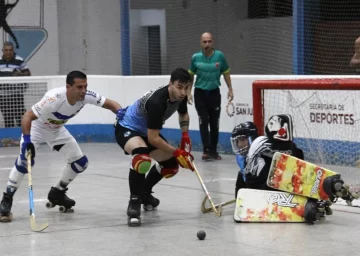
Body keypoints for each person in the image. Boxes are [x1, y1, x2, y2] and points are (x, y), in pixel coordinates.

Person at [0, 70, 122, 222]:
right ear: (68, 87)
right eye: (79, 87)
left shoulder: (86, 96)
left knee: (80, 163)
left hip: (56, 130)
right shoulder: (54, 98)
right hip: (36, 130)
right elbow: (27, 117)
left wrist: (121, 114)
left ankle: (57, 192)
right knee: (25, 162)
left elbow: (111, 104)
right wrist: (27, 140)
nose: (83, 91)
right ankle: (7, 199)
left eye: (85, 86)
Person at [115, 67, 194, 225]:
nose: (183, 92)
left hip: (147, 132)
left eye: (186, 88)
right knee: (142, 158)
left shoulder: (182, 95)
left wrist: (185, 135)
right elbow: (153, 139)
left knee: (171, 165)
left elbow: (183, 114)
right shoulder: (157, 102)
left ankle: (144, 192)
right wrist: (177, 151)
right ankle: (135, 201)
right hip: (128, 128)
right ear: (170, 84)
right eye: (179, 87)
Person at [232, 115, 304, 198]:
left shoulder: (260, 146)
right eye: (238, 141)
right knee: (241, 175)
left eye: (243, 140)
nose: (240, 144)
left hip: (275, 190)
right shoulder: (243, 157)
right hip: (261, 193)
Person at [188, 32, 234, 161]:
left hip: (214, 93)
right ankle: (206, 150)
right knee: (204, 120)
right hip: (200, 94)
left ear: (212, 42)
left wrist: (230, 89)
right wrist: (188, 91)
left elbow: (226, 72)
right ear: (200, 43)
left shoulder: (220, 56)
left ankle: (213, 151)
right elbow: (190, 74)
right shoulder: (195, 58)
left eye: (209, 41)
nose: (207, 44)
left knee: (215, 123)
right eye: (204, 42)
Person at [0, 41, 31, 127]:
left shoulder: (19, 60)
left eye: (10, 50)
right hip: (2, 96)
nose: (8, 52)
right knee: (8, 118)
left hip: (16, 95)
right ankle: (10, 139)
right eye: (6, 50)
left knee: (20, 118)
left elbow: (28, 73)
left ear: (13, 50)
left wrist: (20, 74)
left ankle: (22, 137)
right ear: (3, 50)